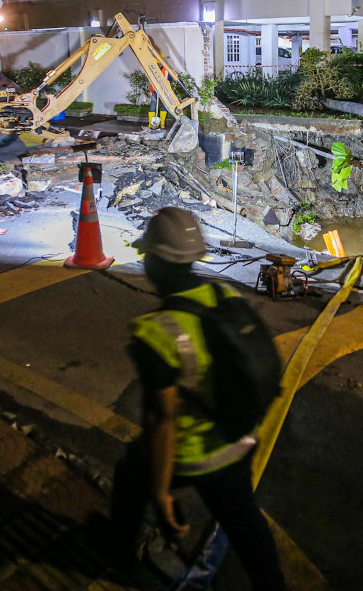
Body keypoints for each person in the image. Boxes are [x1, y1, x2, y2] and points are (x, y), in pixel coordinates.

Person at [110, 207, 286, 590]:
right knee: (245, 523)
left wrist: (161, 493)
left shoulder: (156, 331)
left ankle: (120, 558)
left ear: (155, 261)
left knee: (129, 481)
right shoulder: (223, 293)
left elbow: (162, 420)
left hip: (192, 452)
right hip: (237, 439)